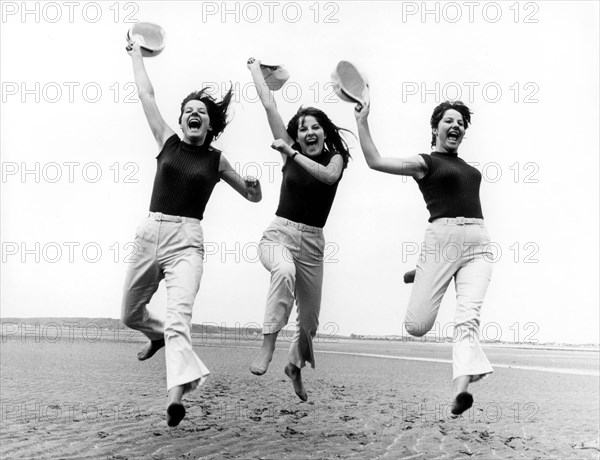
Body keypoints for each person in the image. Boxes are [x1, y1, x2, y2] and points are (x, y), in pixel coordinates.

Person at [121, 40, 262, 427]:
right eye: (189, 111)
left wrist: (255, 184)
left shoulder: (216, 160)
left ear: (209, 125)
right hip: (151, 232)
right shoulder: (166, 142)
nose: (194, 115)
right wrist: (136, 56)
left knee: (179, 318)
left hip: (187, 242)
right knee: (129, 314)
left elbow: (252, 196)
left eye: (201, 112)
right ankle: (157, 335)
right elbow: (146, 94)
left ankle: (174, 400)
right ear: (181, 121)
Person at [354, 99, 493, 416]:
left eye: (460, 122)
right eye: (448, 120)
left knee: (467, 317)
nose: (455, 125)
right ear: (435, 128)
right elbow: (375, 161)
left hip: (478, 245)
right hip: (441, 241)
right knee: (417, 325)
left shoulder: (471, 170)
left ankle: (461, 391)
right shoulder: (425, 162)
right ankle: (425, 271)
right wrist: (362, 120)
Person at [246, 57, 351, 401]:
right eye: (302, 127)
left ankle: (294, 366)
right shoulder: (288, 149)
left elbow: (328, 178)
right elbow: (269, 105)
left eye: (314, 126)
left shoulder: (335, 158)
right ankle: (268, 343)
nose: (308, 132)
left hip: (314, 244)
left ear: (325, 131)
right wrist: (253, 71)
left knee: (309, 324)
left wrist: (290, 152)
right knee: (283, 271)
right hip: (279, 235)